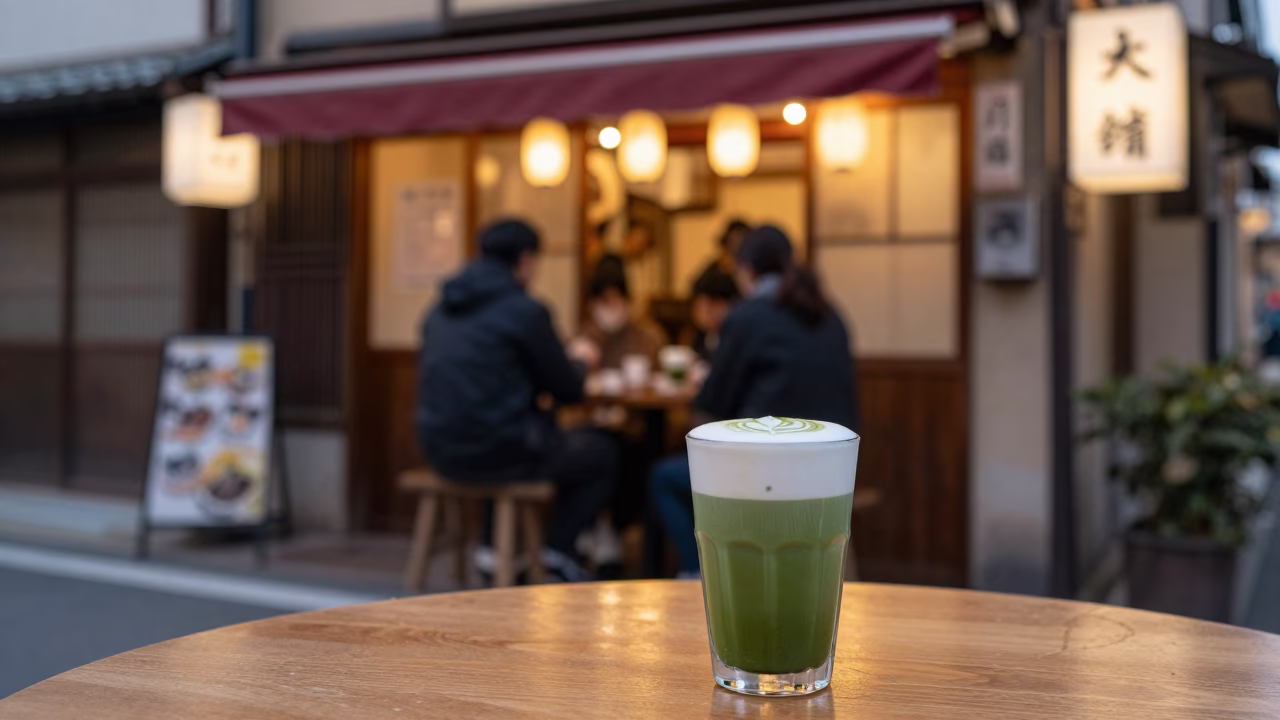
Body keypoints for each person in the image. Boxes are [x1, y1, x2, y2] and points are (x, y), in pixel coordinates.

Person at [650, 225, 860, 576]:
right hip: (834, 471)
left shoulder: (749, 316)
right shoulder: (830, 313)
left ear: (746, 269)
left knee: (663, 478)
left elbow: (711, 403)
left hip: (770, 468)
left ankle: (698, 575)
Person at [418, 219, 617, 582]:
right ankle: (556, 553)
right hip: (501, 452)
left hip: (441, 450)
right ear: (525, 260)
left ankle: (493, 554)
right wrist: (582, 359)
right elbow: (567, 390)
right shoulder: (524, 311)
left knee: (502, 426)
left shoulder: (439, 309)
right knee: (602, 453)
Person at [579, 254, 666, 369]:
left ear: (627, 300)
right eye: (605, 301)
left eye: (616, 299)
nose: (611, 307)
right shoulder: (583, 341)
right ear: (592, 304)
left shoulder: (649, 339)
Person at [687, 265, 740, 363]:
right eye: (699, 306)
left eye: (713, 304)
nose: (704, 312)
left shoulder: (738, 342)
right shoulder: (700, 338)